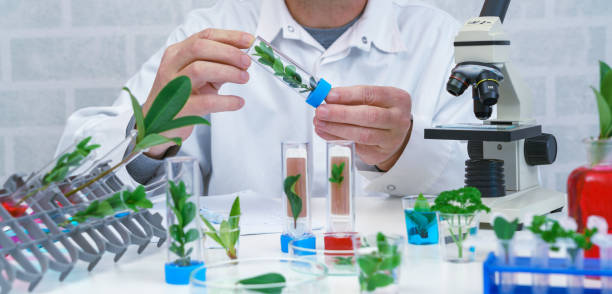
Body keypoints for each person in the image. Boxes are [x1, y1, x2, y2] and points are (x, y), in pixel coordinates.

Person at [57, 0, 474, 197]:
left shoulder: (441, 40)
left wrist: (405, 150)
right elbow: (74, 189)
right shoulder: (209, 32)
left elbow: (498, 195)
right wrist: (153, 132)